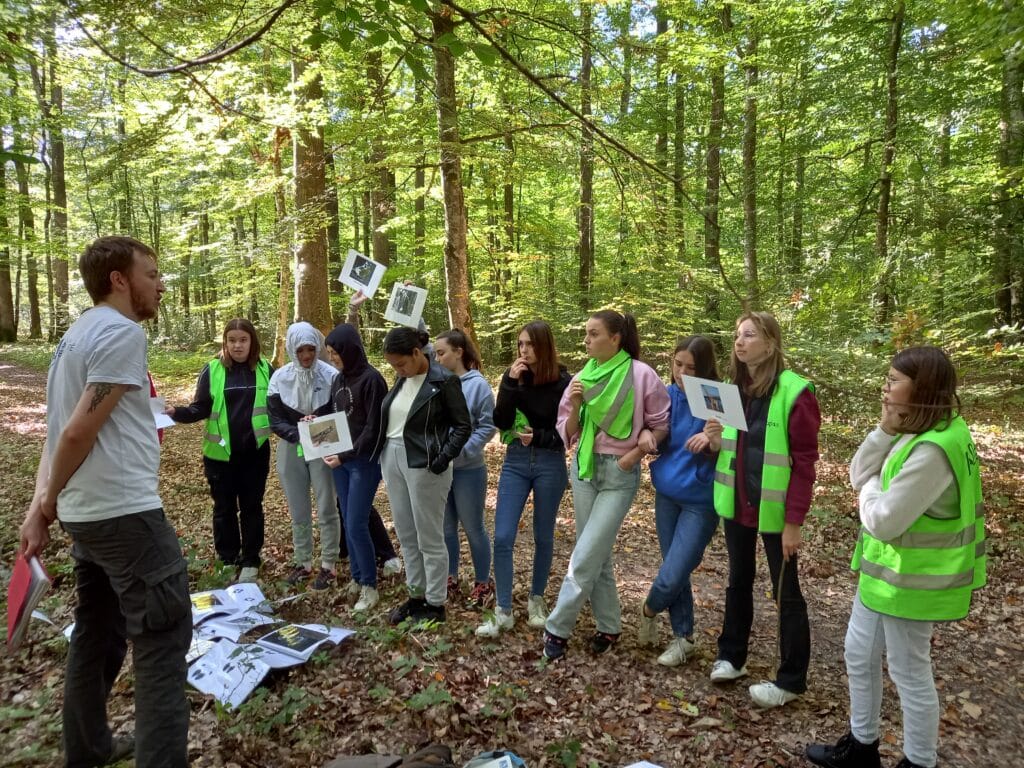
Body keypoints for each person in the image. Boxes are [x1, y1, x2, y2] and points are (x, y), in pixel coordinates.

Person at [19, 236, 190, 767]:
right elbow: (75, 432)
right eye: (152, 273)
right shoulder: (120, 333)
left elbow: (57, 432)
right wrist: (44, 502)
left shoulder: (75, 336)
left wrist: (41, 506)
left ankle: (88, 749)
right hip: (125, 515)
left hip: (89, 516)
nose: (161, 285)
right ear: (119, 279)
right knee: (163, 639)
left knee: (98, 630)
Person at [806, 346, 985, 768]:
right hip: (885, 575)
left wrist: (869, 490)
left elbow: (883, 519)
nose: (884, 389)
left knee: (909, 671)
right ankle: (861, 747)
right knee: (858, 652)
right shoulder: (916, 428)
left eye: (892, 381)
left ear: (920, 389)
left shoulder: (934, 450)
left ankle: (919, 762)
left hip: (913, 583)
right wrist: (884, 431)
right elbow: (857, 472)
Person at [703, 311, 820, 708]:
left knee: (786, 591)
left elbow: (804, 464)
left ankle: (790, 679)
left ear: (770, 344)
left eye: (749, 335)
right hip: (736, 506)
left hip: (775, 513)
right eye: (737, 335)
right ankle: (731, 657)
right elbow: (730, 450)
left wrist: (793, 523)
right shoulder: (731, 390)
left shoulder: (795, 393)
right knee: (738, 580)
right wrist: (714, 439)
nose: (739, 342)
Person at [542, 310, 670, 660]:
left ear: (615, 338)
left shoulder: (642, 375)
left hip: (619, 475)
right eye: (585, 334)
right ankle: (610, 626)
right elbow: (566, 433)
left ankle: (557, 628)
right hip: (584, 470)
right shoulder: (581, 379)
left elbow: (662, 425)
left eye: (593, 334)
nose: (586, 340)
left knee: (585, 554)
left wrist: (638, 451)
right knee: (594, 553)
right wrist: (578, 405)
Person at [475, 320, 572, 638]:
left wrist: (538, 438)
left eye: (529, 344)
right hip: (515, 461)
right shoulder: (513, 375)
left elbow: (566, 434)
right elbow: (500, 420)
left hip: (549, 461)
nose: (523, 350)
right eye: (519, 344)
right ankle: (503, 609)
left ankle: (536, 601)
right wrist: (511, 384)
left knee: (543, 535)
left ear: (544, 346)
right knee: (502, 536)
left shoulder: (563, 380)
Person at [375, 326, 472, 625]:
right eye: (393, 366)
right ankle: (415, 594)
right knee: (405, 532)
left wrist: (442, 459)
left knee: (429, 536)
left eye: (401, 363)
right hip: (393, 457)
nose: (398, 370)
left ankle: (435, 602)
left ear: (417, 353)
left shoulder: (444, 381)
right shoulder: (401, 379)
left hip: (426, 462)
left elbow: (462, 425)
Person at [165, 318, 273, 583]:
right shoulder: (211, 369)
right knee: (223, 509)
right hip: (219, 456)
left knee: (251, 507)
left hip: (255, 454)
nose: (237, 346)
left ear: (252, 342)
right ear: (225, 342)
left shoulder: (265, 369)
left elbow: (279, 405)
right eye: (232, 340)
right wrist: (175, 412)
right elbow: (200, 407)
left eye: (243, 340)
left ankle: (250, 560)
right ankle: (227, 558)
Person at [637, 335, 720, 666]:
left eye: (692, 367)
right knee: (676, 568)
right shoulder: (666, 395)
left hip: (701, 500)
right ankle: (683, 637)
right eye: (678, 364)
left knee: (674, 570)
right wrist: (646, 435)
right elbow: (650, 430)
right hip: (666, 496)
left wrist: (713, 440)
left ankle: (648, 609)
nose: (682, 373)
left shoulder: (714, 397)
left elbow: (730, 447)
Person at [268, 321, 342, 590]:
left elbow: (340, 410)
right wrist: (300, 431)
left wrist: (318, 422)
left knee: (326, 504)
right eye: (301, 351)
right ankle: (303, 561)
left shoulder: (331, 375)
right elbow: (275, 418)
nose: (307, 356)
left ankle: (329, 564)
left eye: (311, 349)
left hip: (324, 439)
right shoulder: (279, 378)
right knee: (298, 507)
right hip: (292, 444)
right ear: (291, 350)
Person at [322, 322, 389, 612]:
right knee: (347, 518)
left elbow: (374, 428)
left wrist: (346, 456)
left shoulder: (372, 380)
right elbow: (334, 414)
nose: (332, 358)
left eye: (335, 352)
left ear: (349, 350)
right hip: (341, 461)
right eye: (329, 353)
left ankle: (370, 587)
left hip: (363, 461)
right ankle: (358, 576)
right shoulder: (338, 380)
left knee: (357, 521)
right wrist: (316, 422)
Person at [434, 329, 498, 606]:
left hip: (468, 469)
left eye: (441, 353)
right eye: (435, 353)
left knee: (473, 527)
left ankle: (483, 582)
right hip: (441, 469)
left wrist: (464, 450)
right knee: (446, 528)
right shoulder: (436, 382)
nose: (436, 358)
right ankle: (450, 576)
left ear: (458, 352)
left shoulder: (477, 385)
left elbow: (487, 425)